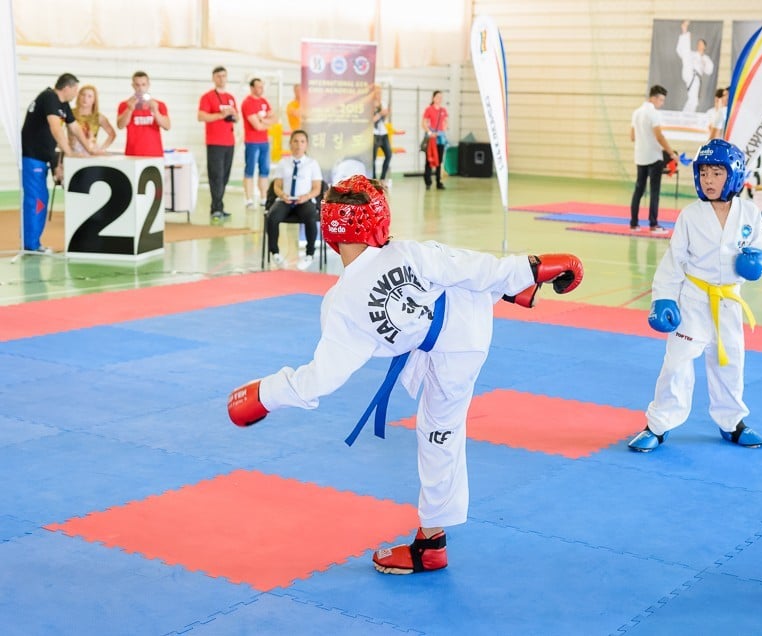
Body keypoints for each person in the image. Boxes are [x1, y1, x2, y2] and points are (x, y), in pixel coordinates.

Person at [227, 174, 584, 575]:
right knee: (460, 275)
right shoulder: (407, 251)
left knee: (438, 438)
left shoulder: (340, 305)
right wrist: (530, 269)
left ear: (330, 230)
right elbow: (471, 265)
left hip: (452, 355)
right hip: (462, 320)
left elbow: (320, 379)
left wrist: (265, 394)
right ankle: (508, 290)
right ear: (378, 222)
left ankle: (431, 546)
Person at [627, 139, 762, 453]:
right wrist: (663, 298)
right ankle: (659, 425)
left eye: (716, 173)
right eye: (704, 173)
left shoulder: (749, 213)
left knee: (731, 364)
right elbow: (674, 260)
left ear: (733, 175)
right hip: (693, 301)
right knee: (677, 364)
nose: (708, 180)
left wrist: (761, 258)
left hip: (729, 303)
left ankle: (732, 423)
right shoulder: (691, 216)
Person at [20, 73, 100, 252]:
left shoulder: (62, 104)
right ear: (67, 88)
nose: (76, 95)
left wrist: (90, 149)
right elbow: (56, 128)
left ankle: (32, 242)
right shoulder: (48, 98)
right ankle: (31, 245)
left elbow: (74, 127)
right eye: (76, 90)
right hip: (32, 157)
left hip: (43, 157)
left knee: (42, 198)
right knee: (37, 199)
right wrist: (69, 153)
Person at [265, 130, 323, 270]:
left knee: (310, 216)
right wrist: (282, 194)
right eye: (295, 141)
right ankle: (275, 252)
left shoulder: (312, 164)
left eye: (302, 142)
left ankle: (309, 253)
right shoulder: (283, 163)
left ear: (306, 145)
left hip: (304, 200)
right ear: (290, 144)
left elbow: (317, 188)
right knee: (272, 216)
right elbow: (277, 185)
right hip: (286, 200)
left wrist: (306, 197)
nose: (298, 145)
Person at [629, 85, 678, 233]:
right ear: (654, 98)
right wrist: (671, 153)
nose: (661, 103)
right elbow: (659, 136)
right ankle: (653, 224)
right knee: (654, 191)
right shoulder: (653, 114)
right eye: (661, 100)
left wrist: (644, 140)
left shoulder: (636, 113)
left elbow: (632, 137)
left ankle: (634, 223)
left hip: (640, 156)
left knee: (639, 190)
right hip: (654, 157)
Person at [197, 66, 238, 220]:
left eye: (224, 76)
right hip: (215, 142)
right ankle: (216, 208)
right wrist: (221, 115)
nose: (221, 79)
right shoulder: (207, 97)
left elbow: (237, 117)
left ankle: (218, 206)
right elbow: (201, 116)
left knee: (225, 177)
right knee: (216, 176)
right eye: (218, 76)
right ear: (214, 78)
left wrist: (233, 115)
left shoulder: (230, 97)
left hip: (229, 141)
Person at [241, 78, 277, 208]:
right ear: (252, 88)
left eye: (262, 87)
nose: (261, 90)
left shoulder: (264, 102)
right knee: (250, 170)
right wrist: (266, 121)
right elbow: (257, 126)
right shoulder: (247, 103)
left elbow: (275, 119)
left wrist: (263, 120)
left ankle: (263, 197)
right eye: (258, 87)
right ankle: (249, 199)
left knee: (264, 170)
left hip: (264, 142)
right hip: (252, 142)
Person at [117, 71, 170, 157]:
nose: (140, 88)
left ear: (148, 85)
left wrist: (155, 111)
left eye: (143, 84)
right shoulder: (125, 105)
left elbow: (167, 126)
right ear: (133, 86)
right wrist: (129, 110)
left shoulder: (159, 105)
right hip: (133, 154)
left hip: (154, 153)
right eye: (137, 85)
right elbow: (120, 125)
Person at [677, 20, 715, 113]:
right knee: (686, 53)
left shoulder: (706, 58)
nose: (699, 45)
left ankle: (686, 114)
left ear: (704, 47)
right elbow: (681, 52)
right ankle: (684, 31)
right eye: (698, 43)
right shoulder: (692, 54)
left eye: (701, 43)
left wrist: (703, 60)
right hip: (688, 70)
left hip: (696, 77)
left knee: (693, 100)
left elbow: (709, 71)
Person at [68, 84, 116, 155]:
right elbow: (58, 128)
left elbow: (112, 134)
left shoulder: (99, 117)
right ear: (78, 96)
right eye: (83, 95)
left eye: (89, 96)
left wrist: (102, 149)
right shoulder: (69, 113)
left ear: (94, 100)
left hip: (91, 153)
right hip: (73, 152)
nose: (85, 99)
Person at [422, 90, 448, 190]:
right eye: (437, 97)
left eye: (441, 97)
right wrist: (430, 132)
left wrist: (443, 130)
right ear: (433, 98)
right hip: (431, 138)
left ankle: (439, 181)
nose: (439, 99)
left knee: (439, 160)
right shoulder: (429, 109)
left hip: (440, 138)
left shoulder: (443, 110)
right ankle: (428, 181)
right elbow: (424, 123)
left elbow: (446, 123)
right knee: (429, 159)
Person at [372, 84, 392, 183]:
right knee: (373, 158)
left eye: (380, 93)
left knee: (389, 154)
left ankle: (383, 178)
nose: (379, 95)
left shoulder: (383, 103)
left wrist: (386, 113)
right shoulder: (370, 105)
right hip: (374, 133)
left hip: (383, 133)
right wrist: (380, 114)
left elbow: (384, 119)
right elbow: (371, 120)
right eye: (377, 93)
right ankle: (374, 179)